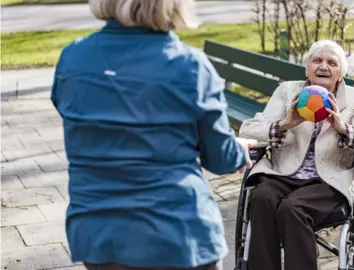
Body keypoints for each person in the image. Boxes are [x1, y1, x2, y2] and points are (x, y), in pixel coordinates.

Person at [50, 0, 255, 269]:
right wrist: (238, 148)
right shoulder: (190, 66)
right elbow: (220, 159)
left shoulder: (72, 59)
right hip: (177, 234)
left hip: (98, 233)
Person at [238, 40, 354, 270]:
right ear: (307, 69)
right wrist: (284, 124)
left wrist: (344, 129)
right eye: (317, 60)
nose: (324, 66)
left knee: (292, 209)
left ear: (340, 74)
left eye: (332, 62)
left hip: (328, 182)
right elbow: (248, 130)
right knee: (262, 198)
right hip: (282, 174)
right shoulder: (287, 92)